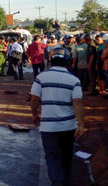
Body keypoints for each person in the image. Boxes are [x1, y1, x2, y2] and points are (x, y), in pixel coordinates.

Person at [31, 47, 85, 186]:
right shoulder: (74, 80)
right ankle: (63, 181)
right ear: (67, 61)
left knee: (52, 156)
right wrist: (81, 124)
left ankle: (57, 181)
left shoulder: (41, 77)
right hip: (68, 126)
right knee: (66, 155)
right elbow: (78, 102)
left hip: (49, 127)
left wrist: (34, 114)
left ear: (51, 60)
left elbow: (35, 99)